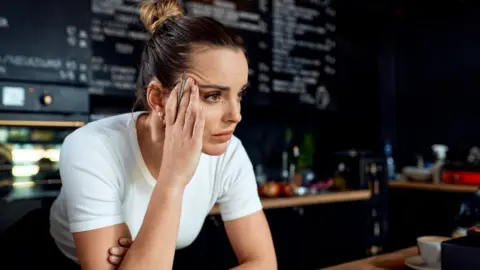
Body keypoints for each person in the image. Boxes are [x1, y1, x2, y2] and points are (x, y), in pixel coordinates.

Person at [48, 0, 277, 269]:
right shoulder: (91, 148)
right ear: (158, 99)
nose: (235, 114)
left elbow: (263, 263)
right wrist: (173, 179)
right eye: (213, 95)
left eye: (239, 94)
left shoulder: (230, 153)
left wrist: (137, 258)